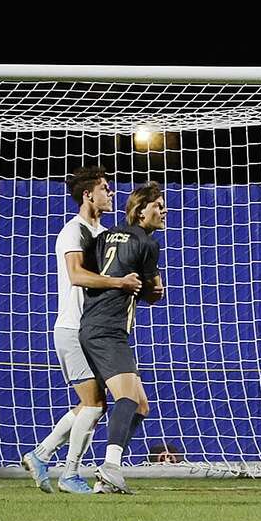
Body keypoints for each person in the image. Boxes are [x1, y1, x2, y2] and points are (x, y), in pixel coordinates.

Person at [22, 166, 142, 494]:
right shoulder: (72, 232)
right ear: (89, 194)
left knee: (94, 404)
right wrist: (119, 281)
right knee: (94, 404)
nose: (111, 193)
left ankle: (42, 454)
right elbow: (76, 275)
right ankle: (69, 473)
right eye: (105, 188)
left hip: (91, 328)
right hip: (73, 328)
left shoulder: (103, 235)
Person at [78, 181, 168, 494]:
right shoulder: (147, 243)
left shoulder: (103, 237)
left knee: (140, 405)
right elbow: (151, 291)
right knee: (127, 398)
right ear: (140, 211)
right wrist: (153, 290)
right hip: (108, 329)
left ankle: (106, 476)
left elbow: (92, 280)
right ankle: (110, 468)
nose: (163, 210)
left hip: (92, 323)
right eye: (157, 205)